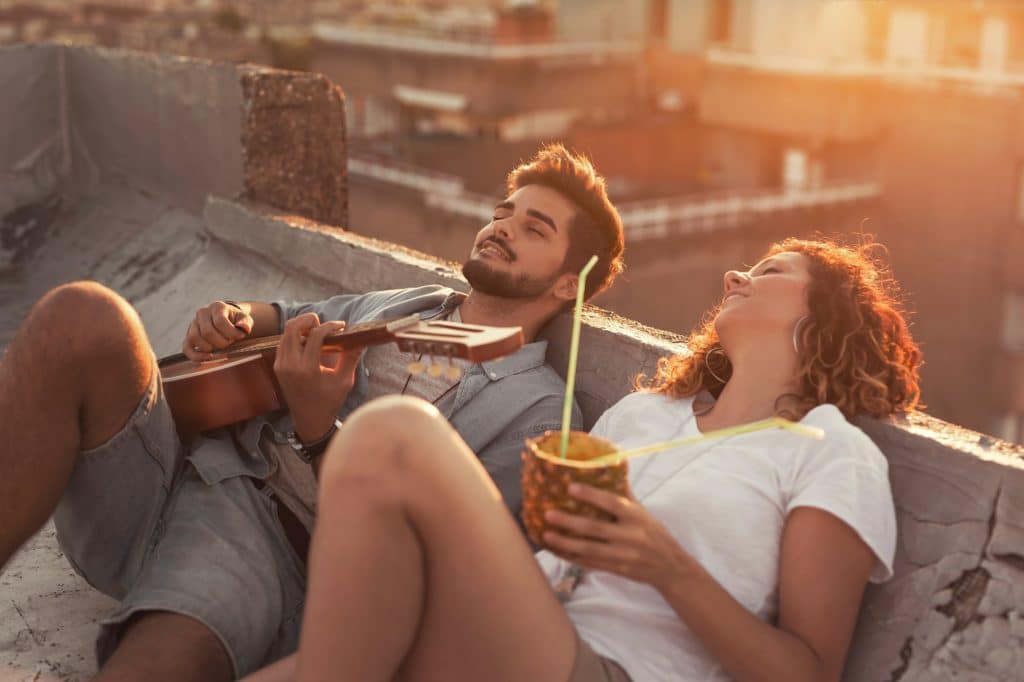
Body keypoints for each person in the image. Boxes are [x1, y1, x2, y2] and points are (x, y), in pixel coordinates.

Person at [0, 143, 625, 681]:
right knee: (82, 315)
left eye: (534, 228)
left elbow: (432, 578)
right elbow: (295, 310)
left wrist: (319, 430)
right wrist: (236, 317)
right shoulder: (420, 300)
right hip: (183, 466)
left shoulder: (540, 414)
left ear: (569, 283)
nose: (503, 227)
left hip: (272, 546)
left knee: (157, 659)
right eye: (502, 213)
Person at [248, 238, 921, 682]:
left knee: (393, 433)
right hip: (523, 632)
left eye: (771, 270)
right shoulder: (643, 414)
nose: (734, 274)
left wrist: (665, 565)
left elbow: (809, 671)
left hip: (615, 669)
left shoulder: (832, 450)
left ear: (825, 318)